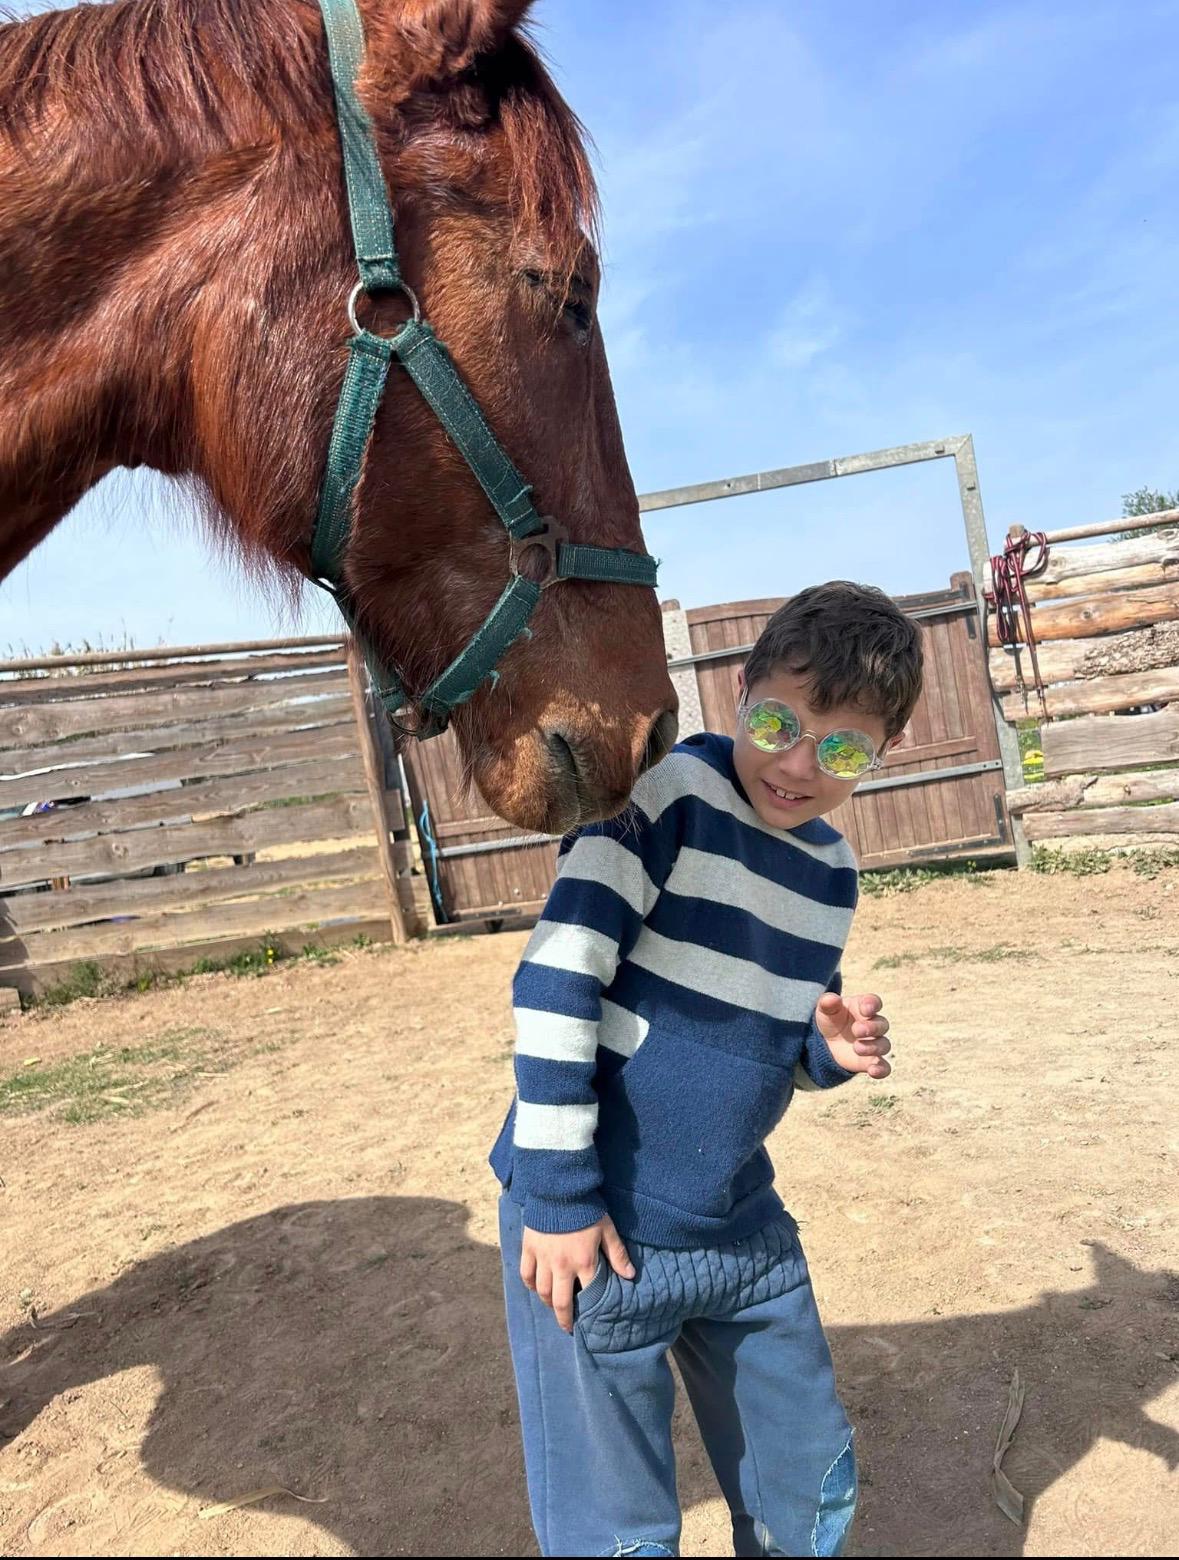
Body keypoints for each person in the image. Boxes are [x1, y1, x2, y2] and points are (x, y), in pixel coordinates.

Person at [490, 581, 925, 1557]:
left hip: (738, 1230)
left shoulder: (833, 875)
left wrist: (829, 1049)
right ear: (741, 689)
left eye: (843, 748)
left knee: (807, 1485)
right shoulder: (661, 798)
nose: (800, 763)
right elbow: (556, 982)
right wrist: (558, 1201)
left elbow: (781, 1038)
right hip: (595, 1224)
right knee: (619, 1534)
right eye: (779, 721)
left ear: (884, 752)